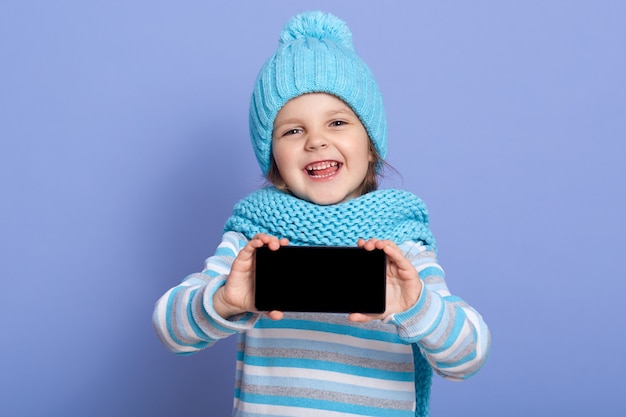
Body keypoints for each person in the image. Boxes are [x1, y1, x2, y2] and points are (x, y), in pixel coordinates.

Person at [153, 10, 490, 417]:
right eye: (292, 131)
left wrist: (417, 306)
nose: (316, 141)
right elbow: (171, 330)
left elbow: (468, 357)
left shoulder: (401, 245)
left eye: (337, 122)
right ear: (274, 163)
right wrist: (224, 300)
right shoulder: (252, 240)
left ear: (370, 148)